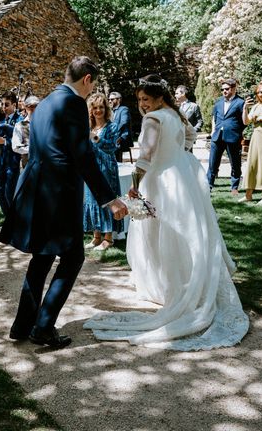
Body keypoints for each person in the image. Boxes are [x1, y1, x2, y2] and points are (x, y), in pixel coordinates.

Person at [83, 74, 249, 351]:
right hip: (181, 178)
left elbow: (145, 156)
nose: (142, 105)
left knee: (160, 234)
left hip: (159, 181)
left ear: (159, 97)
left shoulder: (153, 119)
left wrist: (134, 186)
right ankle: (185, 282)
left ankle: (168, 287)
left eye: (145, 99)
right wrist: (177, 157)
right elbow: (191, 138)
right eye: (139, 100)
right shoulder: (175, 114)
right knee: (187, 232)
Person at [0, 56, 128, 349]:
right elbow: (82, 154)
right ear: (87, 80)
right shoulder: (72, 104)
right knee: (73, 257)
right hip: (58, 194)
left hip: (37, 190)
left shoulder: (44, 102)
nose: (90, 91)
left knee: (42, 257)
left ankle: (22, 325)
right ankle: (43, 327)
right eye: (92, 85)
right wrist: (109, 199)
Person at [83, 93, 123, 251]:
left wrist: (96, 139)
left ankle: (108, 238)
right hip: (91, 168)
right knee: (92, 200)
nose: (98, 110)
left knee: (106, 200)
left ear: (106, 109)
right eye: (95, 108)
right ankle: (96, 236)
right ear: (90, 110)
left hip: (107, 168)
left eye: (101, 107)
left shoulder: (112, 126)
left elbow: (111, 148)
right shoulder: (88, 127)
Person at [0, 91, 23, 216]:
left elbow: (23, 142)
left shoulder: (20, 120)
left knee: (9, 193)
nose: (3, 108)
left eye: (6, 105)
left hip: (13, 161)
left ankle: (14, 220)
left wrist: (5, 141)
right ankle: (9, 219)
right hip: (1, 160)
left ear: (14, 105)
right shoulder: (1, 120)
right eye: (2, 104)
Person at [207, 78, 245, 195]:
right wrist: (213, 131)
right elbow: (214, 117)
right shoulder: (218, 102)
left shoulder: (240, 102)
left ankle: (234, 187)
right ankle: (208, 185)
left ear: (234, 89)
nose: (224, 91)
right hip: (217, 136)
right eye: (222, 89)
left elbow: (244, 121)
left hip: (233, 137)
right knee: (213, 163)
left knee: (235, 163)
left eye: (227, 89)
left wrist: (238, 132)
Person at [12, 95, 39, 170]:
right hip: (27, 165)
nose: (34, 109)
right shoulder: (20, 125)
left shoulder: (44, 123)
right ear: (26, 107)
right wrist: (32, 149)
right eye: (31, 106)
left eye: (36, 106)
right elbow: (16, 146)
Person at [109, 91, 132, 162]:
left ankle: (116, 164)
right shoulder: (110, 111)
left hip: (122, 137)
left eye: (112, 99)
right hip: (113, 137)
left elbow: (123, 122)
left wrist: (113, 131)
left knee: (112, 144)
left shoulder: (124, 109)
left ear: (119, 100)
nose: (110, 101)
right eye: (109, 99)